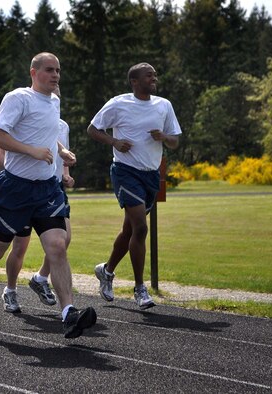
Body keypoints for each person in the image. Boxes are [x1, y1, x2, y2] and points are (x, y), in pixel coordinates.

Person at [0, 52, 96, 339]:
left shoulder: (54, 101)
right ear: (33, 72)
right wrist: (31, 151)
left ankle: (69, 314)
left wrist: (60, 150)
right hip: (14, 189)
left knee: (58, 247)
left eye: (58, 70)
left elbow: (46, 132)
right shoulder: (18, 98)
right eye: (50, 70)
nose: (56, 75)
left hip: (46, 190)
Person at [87, 62, 181, 309]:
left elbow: (175, 141)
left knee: (130, 231)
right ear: (135, 81)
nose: (154, 78)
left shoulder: (164, 105)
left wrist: (164, 137)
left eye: (155, 74)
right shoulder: (119, 103)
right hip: (125, 172)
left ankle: (106, 271)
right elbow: (93, 129)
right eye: (149, 75)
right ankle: (140, 288)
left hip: (151, 175)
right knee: (141, 228)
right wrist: (114, 141)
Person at [0, 87, 73, 313]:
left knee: (61, 241)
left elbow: (56, 150)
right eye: (51, 75)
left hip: (50, 190)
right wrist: (28, 156)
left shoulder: (61, 123)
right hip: (20, 189)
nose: (55, 90)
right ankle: (10, 289)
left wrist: (65, 165)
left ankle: (52, 292)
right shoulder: (24, 114)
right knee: (15, 247)